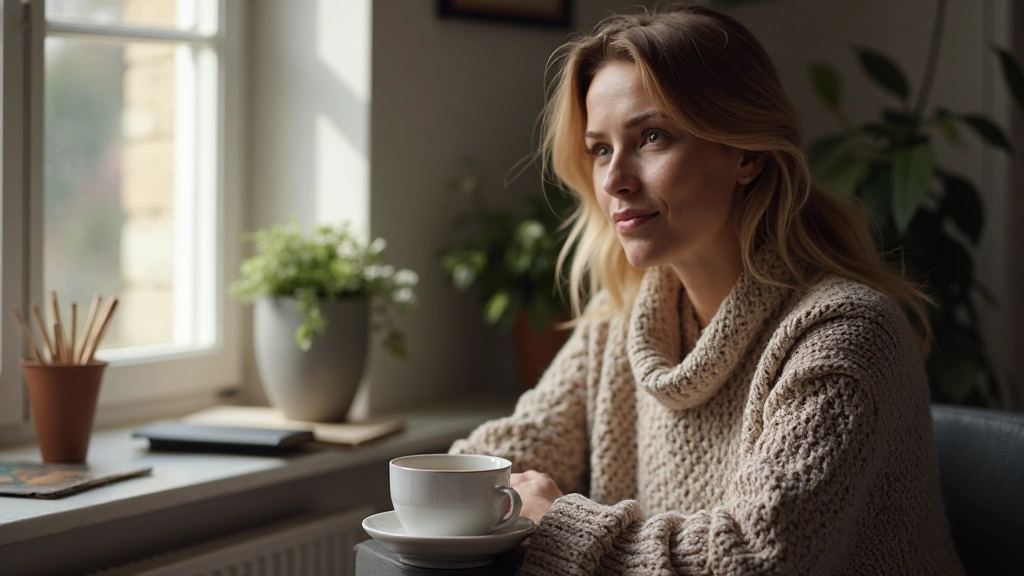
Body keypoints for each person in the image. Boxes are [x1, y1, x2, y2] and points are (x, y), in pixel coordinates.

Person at [449, 4, 965, 575]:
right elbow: (500, 454)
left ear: (745, 153)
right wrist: (464, 485)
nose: (615, 179)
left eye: (652, 136)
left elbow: (753, 559)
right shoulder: (622, 320)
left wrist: (557, 526)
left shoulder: (847, 336)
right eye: (599, 148)